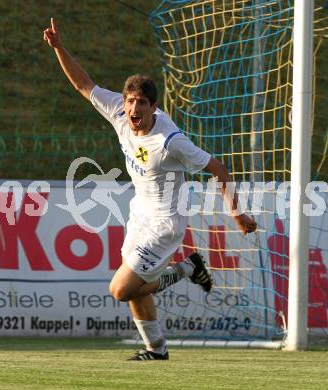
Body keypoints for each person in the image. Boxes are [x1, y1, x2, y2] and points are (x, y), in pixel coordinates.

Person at [44, 18, 257, 361]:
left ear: (153, 108)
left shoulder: (171, 141)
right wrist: (59, 48)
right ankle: (156, 349)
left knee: (121, 289)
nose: (133, 109)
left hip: (164, 224)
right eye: (130, 101)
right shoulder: (118, 110)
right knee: (134, 289)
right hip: (140, 214)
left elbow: (217, 168)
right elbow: (84, 86)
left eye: (141, 103)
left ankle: (186, 269)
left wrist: (237, 213)